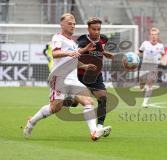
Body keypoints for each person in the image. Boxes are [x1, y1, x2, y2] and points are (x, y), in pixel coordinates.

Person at [23, 13, 111, 141]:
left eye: (74, 24)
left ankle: (94, 132)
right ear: (62, 24)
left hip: (73, 78)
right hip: (59, 77)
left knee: (88, 102)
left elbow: (74, 58)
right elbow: (55, 53)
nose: (72, 26)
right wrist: (70, 53)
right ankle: (32, 122)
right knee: (55, 108)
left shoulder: (72, 42)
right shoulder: (58, 37)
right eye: (69, 23)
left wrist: (84, 64)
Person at [76, 17, 114, 135]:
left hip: (96, 76)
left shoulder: (103, 39)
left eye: (98, 29)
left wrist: (109, 54)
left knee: (103, 98)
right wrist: (85, 66)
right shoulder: (82, 41)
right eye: (94, 29)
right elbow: (73, 58)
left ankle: (99, 127)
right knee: (71, 103)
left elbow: (103, 52)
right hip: (80, 77)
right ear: (88, 29)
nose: (96, 32)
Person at [138, 27, 166, 107]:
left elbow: (163, 55)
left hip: (153, 66)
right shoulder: (145, 43)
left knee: (150, 83)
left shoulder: (160, 46)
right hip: (144, 65)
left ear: (158, 36)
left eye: (155, 34)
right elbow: (140, 52)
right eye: (152, 34)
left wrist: (163, 60)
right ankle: (144, 90)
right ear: (150, 35)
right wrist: (134, 57)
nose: (153, 36)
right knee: (142, 83)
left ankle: (145, 102)